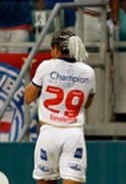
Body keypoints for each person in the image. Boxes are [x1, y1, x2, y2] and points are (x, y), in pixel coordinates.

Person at [24, 30, 96, 184]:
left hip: (49, 131)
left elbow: (28, 98)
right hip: (73, 133)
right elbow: (87, 104)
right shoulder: (88, 72)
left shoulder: (46, 66)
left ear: (56, 49)